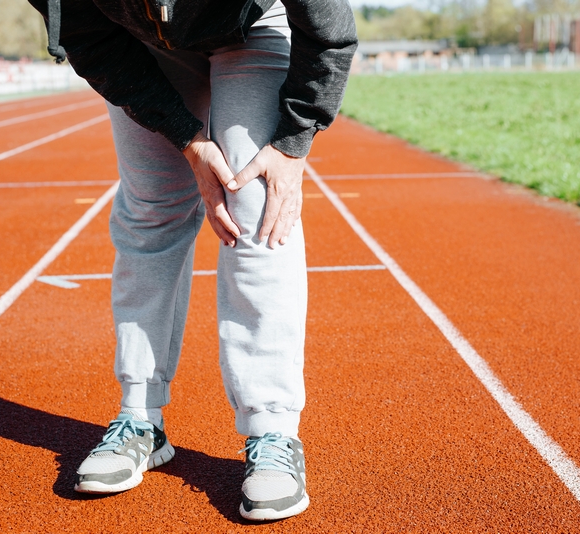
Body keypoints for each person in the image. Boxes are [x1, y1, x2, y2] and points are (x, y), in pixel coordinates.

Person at [27, 0, 357, 521]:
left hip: (247, 27)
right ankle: (140, 418)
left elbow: (330, 34)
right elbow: (87, 38)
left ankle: (272, 427)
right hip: (134, 40)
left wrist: (293, 145)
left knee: (255, 204)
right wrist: (186, 138)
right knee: (151, 211)